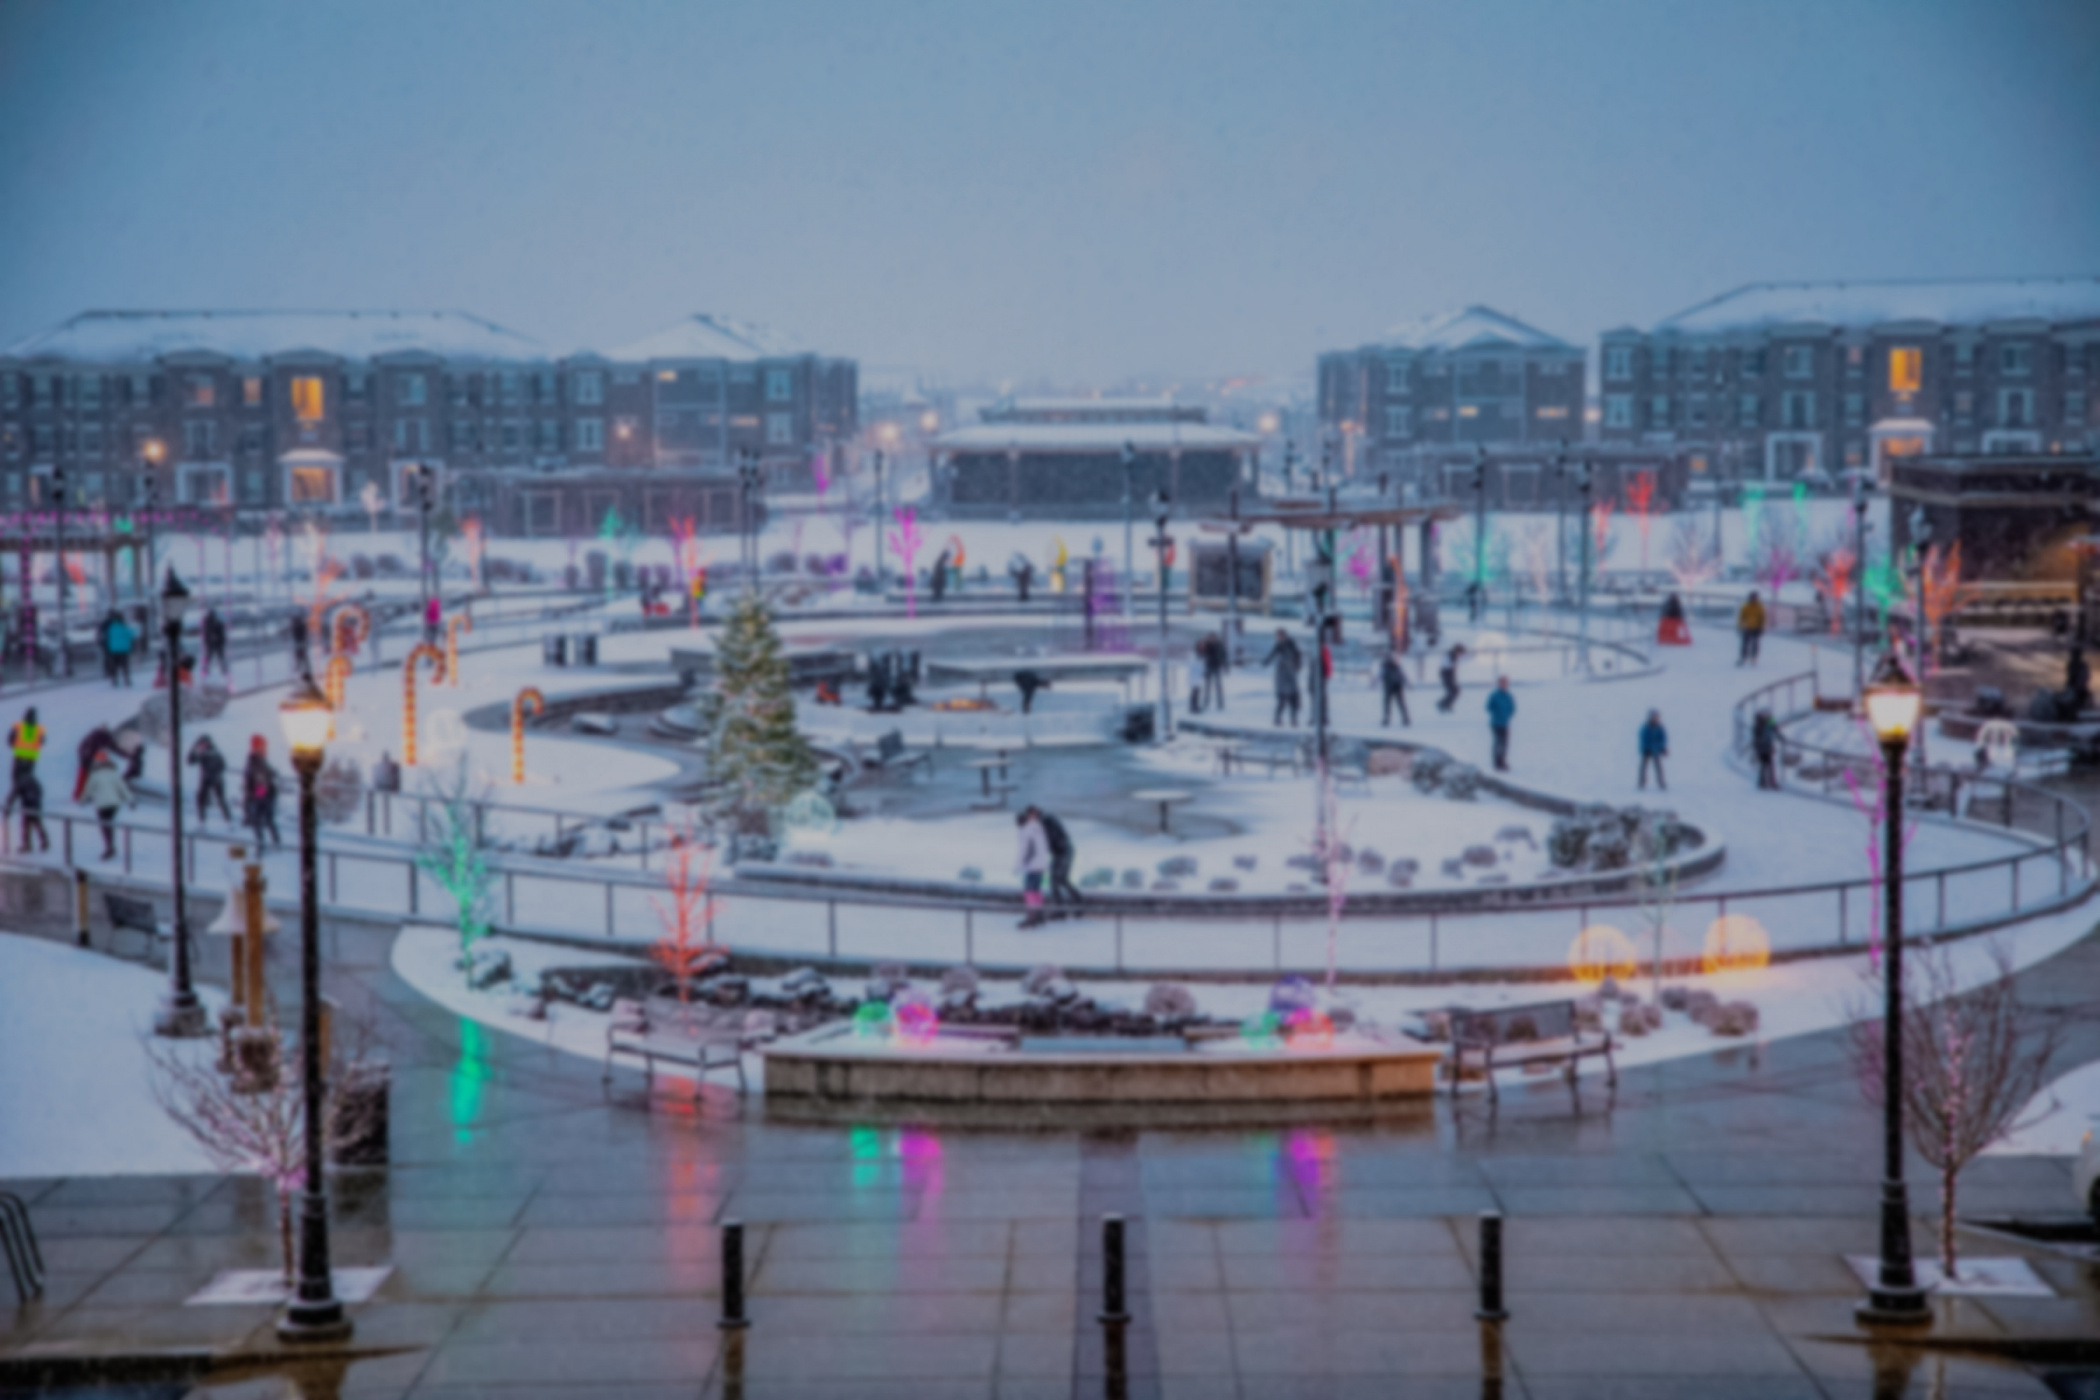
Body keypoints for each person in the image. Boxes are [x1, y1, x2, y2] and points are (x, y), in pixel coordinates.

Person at [82, 750, 132, 860]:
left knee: (105, 826)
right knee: (108, 825)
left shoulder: (95, 775)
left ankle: (109, 848)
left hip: (103, 804)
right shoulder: (113, 772)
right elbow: (122, 787)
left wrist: (83, 800)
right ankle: (110, 846)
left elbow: (88, 790)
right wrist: (130, 800)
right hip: (114, 805)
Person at [243, 736, 282, 850]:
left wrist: (256, 793)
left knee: (261, 820)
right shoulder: (256, 759)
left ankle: (264, 844)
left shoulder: (256, 760)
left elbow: (257, 777)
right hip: (263, 794)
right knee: (266, 820)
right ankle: (273, 842)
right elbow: (260, 776)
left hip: (261, 795)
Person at [1014, 806, 1049, 928]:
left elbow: (1026, 851)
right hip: (1040, 865)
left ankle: (1031, 918)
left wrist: (1018, 866)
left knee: (1029, 892)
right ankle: (1039, 916)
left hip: (1032, 865)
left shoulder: (1027, 830)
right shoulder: (1039, 827)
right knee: (1036, 891)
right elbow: (1043, 847)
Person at [1041, 807, 1082, 908]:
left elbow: (1051, 840)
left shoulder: (1047, 823)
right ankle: (1078, 902)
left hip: (1062, 851)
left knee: (1056, 880)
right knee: (1061, 880)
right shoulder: (1049, 821)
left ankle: (1061, 908)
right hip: (1064, 850)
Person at [188, 734, 232, 824]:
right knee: (202, 799)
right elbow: (190, 761)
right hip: (207, 779)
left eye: (204, 744)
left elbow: (223, 765)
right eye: (201, 744)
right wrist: (194, 748)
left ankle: (228, 820)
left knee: (220, 799)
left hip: (215, 779)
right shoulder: (204, 753)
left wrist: (214, 773)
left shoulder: (212, 752)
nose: (203, 746)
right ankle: (202, 821)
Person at [1263, 629, 1302, 728]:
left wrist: (1297, 666)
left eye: (1279, 636)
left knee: (1292, 699)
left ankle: (1293, 719)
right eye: (1277, 636)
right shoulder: (1278, 645)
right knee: (1281, 699)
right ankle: (1277, 719)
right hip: (1281, 676)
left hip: (1290, 675)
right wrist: (1266, 661)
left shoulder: (1291, 645)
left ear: (1284, 636)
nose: (1278, 638)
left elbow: (1297, 657)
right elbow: (1272, 654)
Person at [6, 768, 48, 852]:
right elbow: (40, 789)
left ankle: (27, 845)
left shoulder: (20, 780)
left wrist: (8, 806)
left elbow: (14, 794)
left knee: (26, 824)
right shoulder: (30, 777)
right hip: (35, 802)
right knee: (36, 822)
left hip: (29, 803)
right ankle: (44, 841)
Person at [1486, 676, 1516, 772]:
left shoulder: (1508, 696)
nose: (1504, 684)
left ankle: (1503, 761)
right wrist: (1497, 713)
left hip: (1505, 723)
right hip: (1495, 723)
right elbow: (1488, 707)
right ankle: (1497, 763)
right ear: (1499, 684)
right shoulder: (1494, 695)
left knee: (1505, 743)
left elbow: (1512, 708)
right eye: (1502, 683)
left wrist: (1507, 715)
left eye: (1506, 683)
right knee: (1498, 742)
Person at [9, 707, 44, 788]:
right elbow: (42, 741)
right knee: (27, 777)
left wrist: (16, 745)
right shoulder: (38, 729)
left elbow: (10, 740)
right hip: (31, 758)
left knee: (16, 777)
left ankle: (15, 795)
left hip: (19, 756)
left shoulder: (18, 726)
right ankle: (27, 794)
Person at [1638, 709, 1669, 790]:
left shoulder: (1659, 728)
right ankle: (1642, 783)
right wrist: (1645, 747)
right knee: (1643, 767)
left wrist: (1662, 747)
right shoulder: (1646, 727)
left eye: (1656, 717)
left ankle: (1661, 783)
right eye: (1653, 717)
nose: (1655, 718)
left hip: (1656, 750)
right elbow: (1643, 738)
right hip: (1647, 750)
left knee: (1658, 768)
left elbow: (1663, 738)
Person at [1380, 647, 1411, 727]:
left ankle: (1387, 719)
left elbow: (1380, 675)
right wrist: (1407, 683)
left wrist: (1373, 683)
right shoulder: (1396, 666)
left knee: (1388, 704)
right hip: (1397, 686)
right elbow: (1403, 675)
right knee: (1400, 703)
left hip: (1390, 687)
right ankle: (1405, 719)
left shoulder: (1385, 666)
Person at [105, 610, 136, 687]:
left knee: (114, 666)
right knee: (125, 666)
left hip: (114, 650)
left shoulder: (111, 628)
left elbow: (108, 638)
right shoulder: (124, 627)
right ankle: (127, 680)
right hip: (124, 649)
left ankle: (114, 681)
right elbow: (131, 635)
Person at [1198, 632, 1227, 712]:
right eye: (1210, 637)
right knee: (1207, 686)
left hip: (1217, 667)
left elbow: (1224, 655)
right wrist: (1201, 647)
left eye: (1213, 637)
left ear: (1215, 638)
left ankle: (1220, 703)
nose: (1212, 639)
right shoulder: (1206, 645)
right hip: (1208, 667)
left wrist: (1225, 664)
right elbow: (1201, 654)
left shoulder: (1219, 645)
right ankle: (1206, 702)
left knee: (1218, 686)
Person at [1752, 709, 1780, 790]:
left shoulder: (1770, 722)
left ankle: (1770, 781)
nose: (1767, 716)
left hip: (1768, 746)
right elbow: (1757, 737)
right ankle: (1763, 781)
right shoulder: (1759, 724)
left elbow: (1775, 730)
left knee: (1770, 764)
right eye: (1765, 715)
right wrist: (1758, 747)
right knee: (1764, 765)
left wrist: (1781, 737)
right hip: (1762, 747)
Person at [1736, 591, 1766, 666]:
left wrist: (1762, 627)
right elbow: (1741, 617)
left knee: (1755, 643)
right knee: (1745, 644)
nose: (1754, 600)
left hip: (1756, 627)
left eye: (1755, 598)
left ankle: (1754, 657)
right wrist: (1740, 626)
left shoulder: (1759, 607)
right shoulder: (1746, 606)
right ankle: (1743, 657)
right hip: (1747, 627)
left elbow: (1763, 617)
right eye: (1753, 598)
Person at [1436, 644, 1466, 714]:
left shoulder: (1453, 656)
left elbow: (1460, 661)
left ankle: (1445, 704)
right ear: (1457, 651)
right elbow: (1446, 665)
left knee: (1455, 692)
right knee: (1453, 692)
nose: (1460, 655)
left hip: (1449, 676)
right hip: (1446, 675)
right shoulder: (1449, 655)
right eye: (1460, 653)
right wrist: (1454, 663)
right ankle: (1442, 704)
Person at [202, 607, 229, 676]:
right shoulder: (209, 623)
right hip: (213, 643)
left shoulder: (211, 623)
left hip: (215, 643)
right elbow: (206, 634)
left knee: (214, 657)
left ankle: (206, 670)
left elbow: (221, 633)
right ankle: (206, 669)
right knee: (212, 657)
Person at [289, 610, 312, 680]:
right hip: (301, 645)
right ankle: (305, 674)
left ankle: (304, 674)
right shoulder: (301, 626)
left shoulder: (298, 626)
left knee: (301, 660)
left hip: (300, 645)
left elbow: (299, 636)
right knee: (303, 660)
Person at [2068, 649, 2091, 714]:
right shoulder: (2072, 664)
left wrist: (2078, 686)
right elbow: (2070, 677)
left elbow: (2084, 677)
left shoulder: (2081, 665)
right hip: (2074, 688)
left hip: (2079, 689)